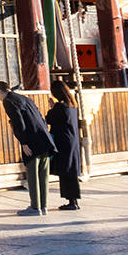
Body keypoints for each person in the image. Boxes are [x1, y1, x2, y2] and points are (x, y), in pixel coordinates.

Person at [0, 81, 55, 216]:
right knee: (43, 174)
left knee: (32, 174)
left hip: (31, 140)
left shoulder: (8, 101)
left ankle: (35, 206)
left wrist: (24, 142)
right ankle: (44, 206)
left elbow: (18, 121)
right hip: (44, 137)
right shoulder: (24, 98)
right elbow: (40, 117)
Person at [46, 80, 83, 210]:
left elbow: (49, 119)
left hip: (63, 141)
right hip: (71, 141)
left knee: (66, 171)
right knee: (69, 171)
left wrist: (52, 107)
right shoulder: (72, 105)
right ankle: (72, 200)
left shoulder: (60, 107)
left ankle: (72, 201)